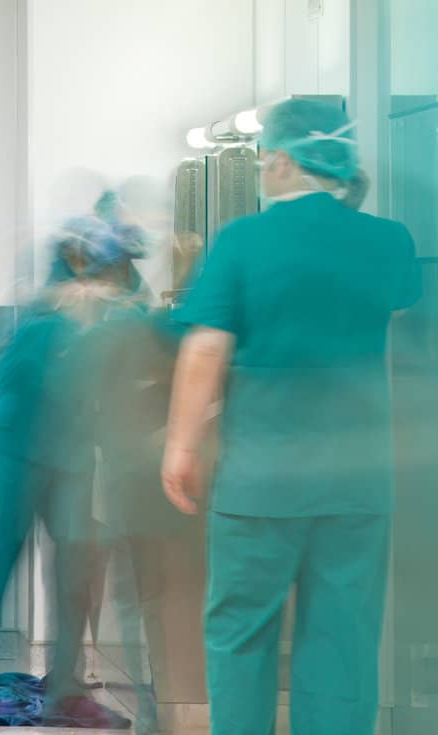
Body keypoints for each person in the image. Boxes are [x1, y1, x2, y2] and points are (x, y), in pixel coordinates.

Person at [162, 98, 422, 735]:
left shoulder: (245, 239)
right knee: (342, 641)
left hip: (263, 481)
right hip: (359, 483)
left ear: (279, 159)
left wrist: (181, 446)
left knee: (242, 634)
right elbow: (391, 326)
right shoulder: (389, 240)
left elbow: (205, 350)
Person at [0, 213, 139, 725]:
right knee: (6, 551)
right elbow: (6, 370)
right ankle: (4, 677)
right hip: (21, 447)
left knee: (74, 565)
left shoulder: (109, 300)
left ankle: (65, 685)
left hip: (71, 453)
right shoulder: (39, 307)